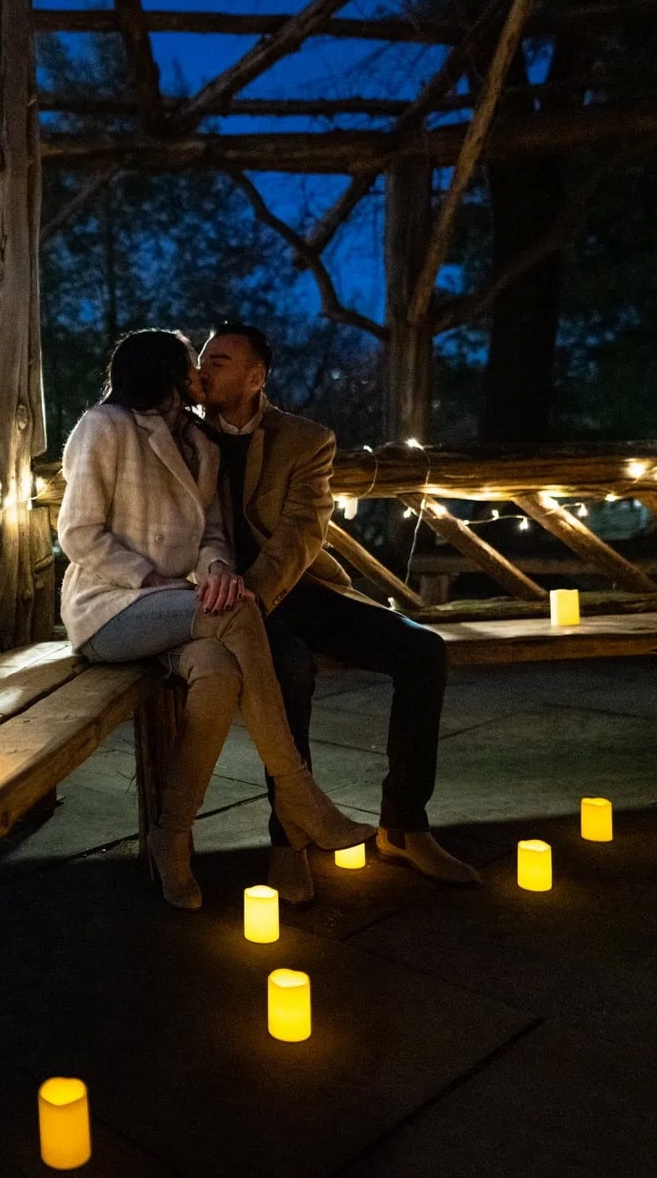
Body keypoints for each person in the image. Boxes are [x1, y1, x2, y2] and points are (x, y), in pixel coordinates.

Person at [57, 329, 374, 910]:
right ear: (170, 375)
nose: (201, 374)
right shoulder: (104, 427)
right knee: (238, 613)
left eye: (207, 365)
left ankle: (170, 835)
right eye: (192, 366)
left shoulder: (198, 443)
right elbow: (78, 534)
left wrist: (221, 568)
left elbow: (212, 533)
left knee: (221, 671)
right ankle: (299, 794)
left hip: (178, 609)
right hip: (110, 608)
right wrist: (151, 579)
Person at [196, 321, 479, 903]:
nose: (203, 369)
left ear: (256, 377)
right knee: (289, 668)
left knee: (425, 650)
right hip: (214, 601)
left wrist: (255, 593)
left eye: (219, 361)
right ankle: (289, 839)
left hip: (294, 588)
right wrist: (233, 600)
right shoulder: (176, 435)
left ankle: (403, 826)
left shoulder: (305, 439)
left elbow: (301, 532)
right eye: (202, 359)